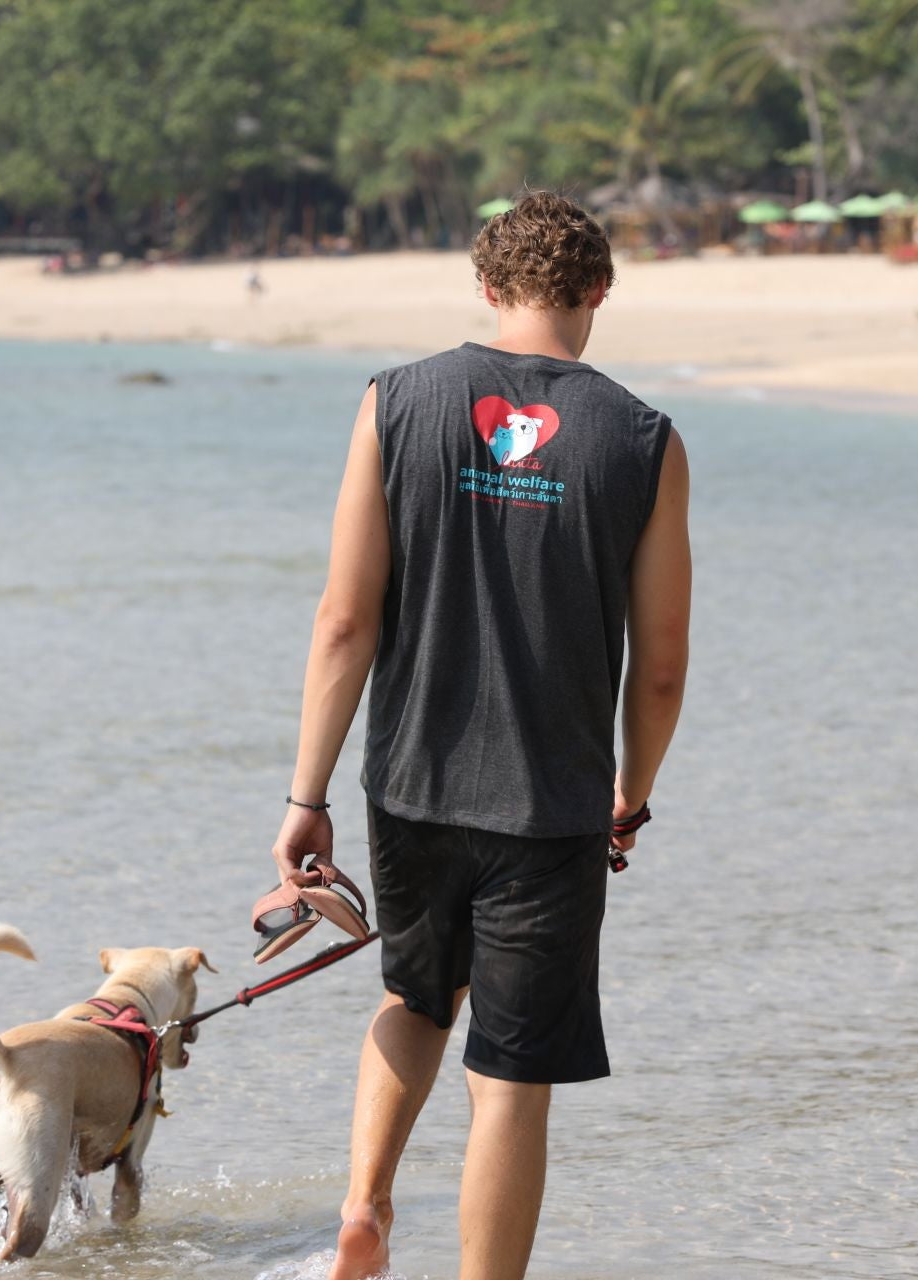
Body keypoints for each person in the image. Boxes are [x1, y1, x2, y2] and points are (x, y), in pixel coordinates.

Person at [269, 190, 691, 1280]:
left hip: (408, 782)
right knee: (509, 1072)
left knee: (413, 997)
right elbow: (658, 665)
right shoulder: (643, 441)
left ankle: (363, 1206)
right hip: (549, 804)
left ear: (487, 288)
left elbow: (343, 616)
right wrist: (629, 794)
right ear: (598, 290)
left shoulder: (395, 400)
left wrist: (304, 791)